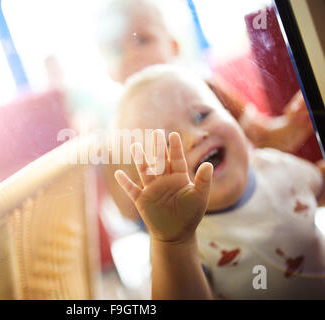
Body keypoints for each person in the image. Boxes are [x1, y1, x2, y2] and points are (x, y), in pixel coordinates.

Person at [112, 65, 325, 299]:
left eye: (201, 115)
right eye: (167, 145)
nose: (195, 136)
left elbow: (318, 187)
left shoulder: (274, 166)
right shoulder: (180, 242)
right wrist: (174, 244)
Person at [98, 0, 315, 222]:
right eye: (116, 50)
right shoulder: (121, 128)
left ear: (173, 46)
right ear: (109, 71)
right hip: (193, 234)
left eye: (142, 40)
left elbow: (264, 137)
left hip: (255, 201)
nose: (131, 55)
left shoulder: (205, 87)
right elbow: (127, 210)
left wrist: (292, 126)